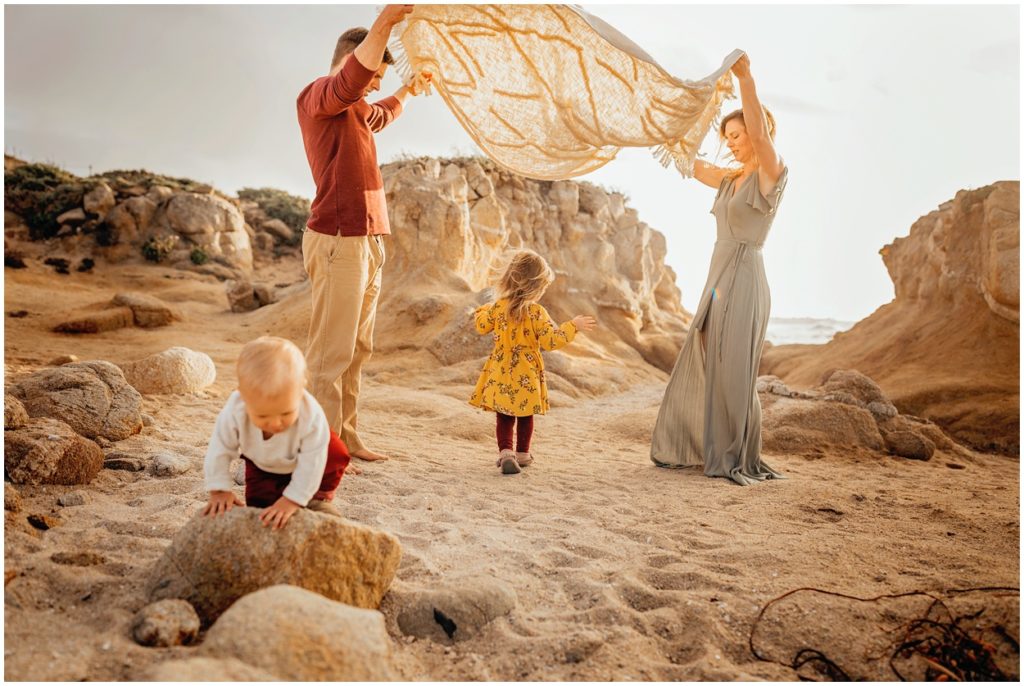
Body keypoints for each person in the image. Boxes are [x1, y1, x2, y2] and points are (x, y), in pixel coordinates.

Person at [297, 4, 428, 465]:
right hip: (338, 239)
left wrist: (409, 89)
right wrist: (387, 22)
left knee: (356, 350)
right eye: (374, 78)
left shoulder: (355, 110)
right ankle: (317, 449)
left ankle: (345, 440)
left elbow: (382, 115)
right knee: (330, 353)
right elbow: (352, 80)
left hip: (368, 240)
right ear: (352, 57)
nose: (375, 87)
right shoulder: (320, 95)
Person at [650, 52, 789, 485]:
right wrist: (664, 123)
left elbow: (763, 137)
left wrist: (746, 80)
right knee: (710, 352)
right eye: (726, 135)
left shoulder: (770, 172)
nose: (730, 141)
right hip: (718, 274)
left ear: (755, 131)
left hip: (745, 272)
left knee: (733, 365)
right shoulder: (729, 179)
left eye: (736, 133)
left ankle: (732, 455)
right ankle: (711, 446)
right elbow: (689, 163)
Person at [202, 336, 352, 530]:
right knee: (262, 508)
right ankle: (278, 487)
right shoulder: (235, 410)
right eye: (262, 416)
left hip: (311, 459)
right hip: (262, 460)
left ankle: (318, 495)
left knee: (335, 450)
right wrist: (219, 490)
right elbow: (219, 449)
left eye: (286, 413)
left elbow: (312, 462)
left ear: (301, 390)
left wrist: (293, 500)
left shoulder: (311, 415)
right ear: (242, 396)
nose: (275, 423)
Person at [469, 250, 597, 474]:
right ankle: (523, 454)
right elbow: (551, 341)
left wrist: (482, 310)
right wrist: (572, 326)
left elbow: (481, 326)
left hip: (501, 369)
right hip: (527, 372)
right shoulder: (537, 313)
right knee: (526, 414)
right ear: (535, 287)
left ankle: (505, 452)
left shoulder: (499, 307)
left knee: (504, 414)